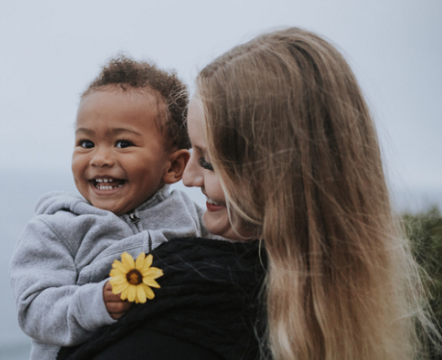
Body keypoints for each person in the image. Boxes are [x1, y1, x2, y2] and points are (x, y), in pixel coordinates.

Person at [58, 27, 440, 360]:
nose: (186, 178)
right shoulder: (341, 311)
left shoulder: (191, 301)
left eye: (207, 162)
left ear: (275, 178)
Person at [10, 55, 215, 360]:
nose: (99, 158)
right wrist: (95, 302)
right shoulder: (55, 229)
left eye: (122, 144)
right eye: (86, 143)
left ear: (173, 166)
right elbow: (34, 308)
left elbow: (226, 262)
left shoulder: (190, 215)